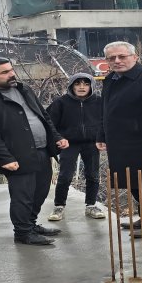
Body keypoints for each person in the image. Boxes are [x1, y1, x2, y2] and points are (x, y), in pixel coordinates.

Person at [0, 58, 68, 246]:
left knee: (40, 192)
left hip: (42, 150)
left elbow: (43, 116)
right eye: (4, 72)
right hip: (17, 156)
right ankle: (22, 232)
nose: (12, 74)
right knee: (23, 196)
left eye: (11, 70)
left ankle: (31, 224)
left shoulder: (24, 89)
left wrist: (56, 137)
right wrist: (4, 158)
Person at [95, 42, 142, 238]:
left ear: (135, 57)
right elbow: (105, 110)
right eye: (112, 58)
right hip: (120, 143)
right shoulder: (111, 79)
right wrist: (101, 135)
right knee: (133, 182)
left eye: (122, 56)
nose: (117, 61)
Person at [46, 72, 105, 221]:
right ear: (71, 86)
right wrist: (58, 138)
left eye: (86, 84)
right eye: (77, 84)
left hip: (92, 143)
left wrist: (103, 138)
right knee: (65, 175)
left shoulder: (99, 102)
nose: (81, 87)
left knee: (92, 175)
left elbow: (107, 121)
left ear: (91, 86)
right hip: (69, 143)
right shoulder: (61, 102)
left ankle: (91, 206)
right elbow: (48, 122)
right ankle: (59, 206)